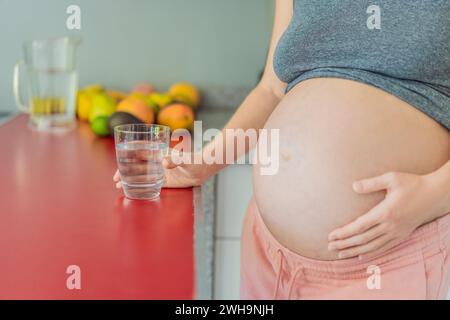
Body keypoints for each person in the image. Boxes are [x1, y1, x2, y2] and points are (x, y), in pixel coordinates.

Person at [114, 0, 450, 299]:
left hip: (384, 256)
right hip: (269, 253)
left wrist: (433, 194)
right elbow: (272, 90)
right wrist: (203, 162)